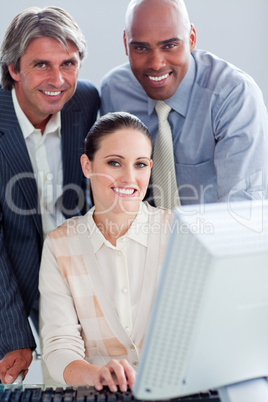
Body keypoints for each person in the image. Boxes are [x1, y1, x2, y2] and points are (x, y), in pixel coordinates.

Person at [0, 6, 100, 383]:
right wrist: (11, 333)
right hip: (13, 276)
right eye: (41, 65)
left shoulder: (87, 102)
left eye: (69, 63)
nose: (58, 79)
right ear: (13, 69)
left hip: (79, 276)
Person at [39, 112, 173, 391]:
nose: (129, 178)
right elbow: (58, 345)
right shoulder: (60, 244)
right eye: (114, 163)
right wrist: (95, 374)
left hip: (173, 391)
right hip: (97, 396)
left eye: (140, 165)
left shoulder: (178, 234)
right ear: (87, 165)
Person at [101, 0, 268, 208]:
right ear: (126, 44)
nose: (156, 63)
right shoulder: (115, 91)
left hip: (213, 235)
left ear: (191, 38)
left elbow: (242, 210)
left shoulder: (234, 96)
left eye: (170, 45)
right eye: (141, 48)